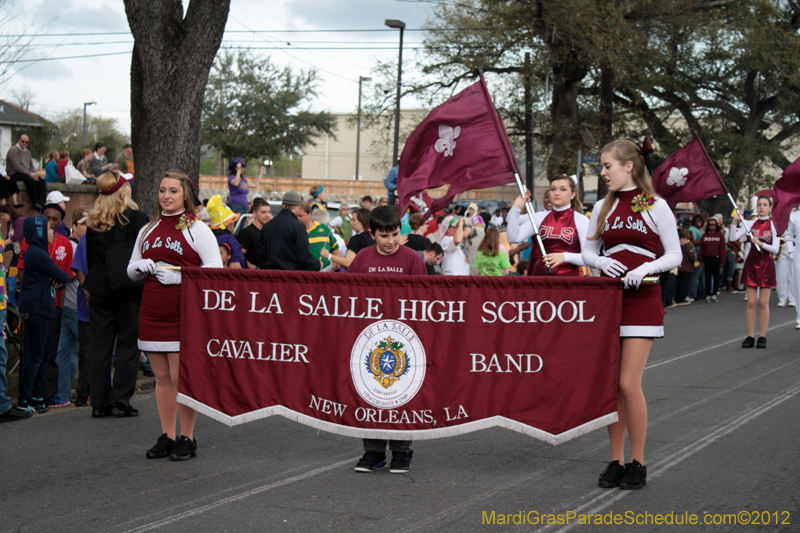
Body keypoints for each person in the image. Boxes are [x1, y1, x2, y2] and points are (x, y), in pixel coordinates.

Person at [582, 139, 681, 491]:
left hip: (643, 299)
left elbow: (675, 254)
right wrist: (600, 261)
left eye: (607, 166)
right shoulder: (602, 207)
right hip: (610, 303)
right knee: (611, 387)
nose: (603, 172)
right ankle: (616, 460)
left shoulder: (656, 205)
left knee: (628, 383)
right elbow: (588, 251)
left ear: (628, 166)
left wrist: (648, 267)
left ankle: (638, 460)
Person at [127, 171, 222, 461]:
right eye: (162, 190)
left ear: (185, 196)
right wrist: (141, 266)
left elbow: (216, 269)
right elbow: (130, 271)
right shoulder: (147, 229)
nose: (166, 196)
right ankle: (168, 435)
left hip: (184, 312)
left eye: (173, 191)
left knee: (181, 377)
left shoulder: (197, 229)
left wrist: (181, 279)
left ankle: (187, 437)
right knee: (161, 377)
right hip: (152, 310)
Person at [341, 206, 425, 474]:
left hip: (404, 341)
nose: (390, 241)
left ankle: (402, 452)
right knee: (371, 396)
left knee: (401, 396)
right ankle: (373, 452)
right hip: (369, 340)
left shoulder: (412, 259)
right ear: (371, 233)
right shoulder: (363, 258)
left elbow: (426, 299)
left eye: (395, 234)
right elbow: (346, 295)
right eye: (384, 235)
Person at [84, 171, 149, 418]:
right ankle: (121, 398)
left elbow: (91, 259)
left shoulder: (94, 220)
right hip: (128, 287)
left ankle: (99, 402)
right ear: (123, 190)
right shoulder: (136, 218)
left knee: (100, 346)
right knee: (128, 344)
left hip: (100, 288)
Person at [16, 216, 70, 413]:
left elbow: (59, 278)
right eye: (48, 228)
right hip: (35, 308)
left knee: (46, 353)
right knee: (36, 355)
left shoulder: (39, 252)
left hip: (42, 308)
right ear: (39, 232)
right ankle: (24, 399)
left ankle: (37, 396)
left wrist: (59, 280)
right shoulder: (37, 253)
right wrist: (59, 279)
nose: (53, 232)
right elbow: (62, 274)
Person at [507, 174, 589, 276]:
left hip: (570, 281)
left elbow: (589, 258)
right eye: (553, 189)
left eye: (563, 189)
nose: (557, 193)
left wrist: (565, 256)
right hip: (542, 278)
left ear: (573, 194)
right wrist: (517, 208)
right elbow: (513, 238)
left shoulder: (581, 220)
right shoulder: (539, 217)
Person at [730, 196, 779, 348]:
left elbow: (775, 248)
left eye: (765, 205)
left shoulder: (774, 225)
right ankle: (750, 336)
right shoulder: (750, 223)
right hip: (751, 265)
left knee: (763, 303)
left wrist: (760, 243)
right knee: (751, 303)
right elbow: (733, 237)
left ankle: (762, 336)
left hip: (766, 266)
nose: (762, 207)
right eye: (759, 205)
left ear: (770, 207)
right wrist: (735, 223)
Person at [52, 209, 88, 407]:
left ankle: (62, 392)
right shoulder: (74, 246)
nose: (87, 227)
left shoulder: (69, 244)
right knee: (89, 349)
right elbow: (72, 272)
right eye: (83, 223)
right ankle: (92, 390)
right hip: (75, 306)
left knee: (65, 351)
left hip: (66, 304)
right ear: (74, 226)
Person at [258, 191, 321, 271]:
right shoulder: (298, 226)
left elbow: (261, 251)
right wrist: (317, 265)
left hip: (271, 275)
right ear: (295, 206)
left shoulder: (267, 226)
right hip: (292, 276)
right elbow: (303, 255)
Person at [6, 134, 45, 209]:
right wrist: (30, 175)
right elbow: (17, 167)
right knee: (30, 181)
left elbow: (31, 165)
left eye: (26, 142)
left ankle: (41, 202)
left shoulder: (28, 152)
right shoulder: (13, 150)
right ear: (19, 141)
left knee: (41, 181)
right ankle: (34, 202)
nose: (24, 143)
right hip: (15, 173)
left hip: (26, 173)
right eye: (23, 141)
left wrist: (33, 174)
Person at [297, 201, 338, 271]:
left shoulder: (324, 228)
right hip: (303, 275)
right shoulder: (294, 231)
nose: (297, 219)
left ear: (309, 214)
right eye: (295, 216)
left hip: (324, 275)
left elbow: (335, 248)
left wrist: (335, 262)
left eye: (300, 216)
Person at [236, 198, 271, 269]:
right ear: (254, 213)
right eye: (263, 212)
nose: (267, 215)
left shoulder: (268, 232)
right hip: (252, 275)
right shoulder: (247, 232)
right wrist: (254, 268)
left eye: (268, 212)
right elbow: (240, 255)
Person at [699, 217, 726, 302]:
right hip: (706, 258)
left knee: (716, 277)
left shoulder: (720, 235)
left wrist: (722, 261)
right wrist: (701, 261)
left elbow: (722, 249)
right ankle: (708, 294)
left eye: (713, 225)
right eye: (710, 225)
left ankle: (714, 293)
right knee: (707, 277)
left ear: (716, 226)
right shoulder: (704, 235)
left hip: (716, 259)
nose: (711, 226)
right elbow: (701, 249)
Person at [783, 208, 800, 328]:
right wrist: (791, 251)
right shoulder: (794, 216)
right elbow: (788, 234)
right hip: (798, 254)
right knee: (798, 285)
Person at [775, 227, 794, 307]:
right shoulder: (779, 220)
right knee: (781, 275)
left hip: (793, 247)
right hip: (781, 249)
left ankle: (792, 298)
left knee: (792, 275)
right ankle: (782, 298)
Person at [675, 229, 695, 305]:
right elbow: (691, 256)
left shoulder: (678, 244)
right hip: (687, 266)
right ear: (688, 235)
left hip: (679, 266)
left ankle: (678, 297)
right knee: (685, 284)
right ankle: (682, 298)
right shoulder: (688, 245)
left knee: (679, 283)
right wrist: (693, 263)